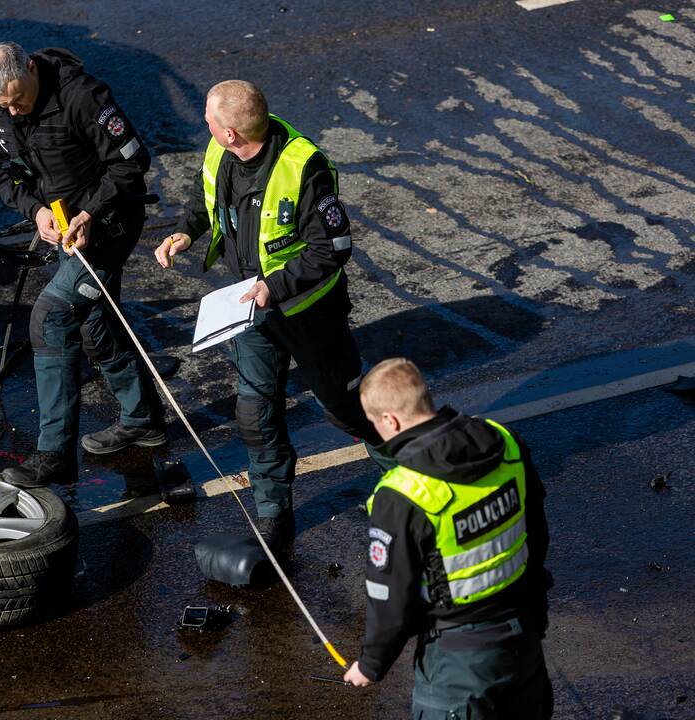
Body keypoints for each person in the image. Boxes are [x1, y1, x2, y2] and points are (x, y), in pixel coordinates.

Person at [154, 80, 382, 551]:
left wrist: (273, 287)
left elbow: (333, 248)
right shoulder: (220, 154)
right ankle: (273, 515)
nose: (206, 127)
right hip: (249, 310)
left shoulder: (304, 167)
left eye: (210, 122)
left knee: (344, 406)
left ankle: (399, 480)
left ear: (232, 132)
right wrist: (185, 233)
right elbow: (205, 196)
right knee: (256, 413)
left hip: (308, 314)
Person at [0, 42, 165, 488]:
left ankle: (54, 455)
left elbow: (133, 163)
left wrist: (91, 214)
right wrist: (35, 211)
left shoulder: (83, 97)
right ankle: (143, 419)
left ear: (32, 68)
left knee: (53, 315)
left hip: (110, 225)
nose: (16, 112)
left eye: (19, 100)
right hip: (62, 229)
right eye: (5, 105)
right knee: (94, 324)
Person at [343, 358, 553, 719]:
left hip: (459, 660)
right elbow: (535, 531)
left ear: (390, 420)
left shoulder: (402, 493)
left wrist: (370, 664)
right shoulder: (502, 442)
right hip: (523, 634)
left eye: (375, 423)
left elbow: (390, 596)